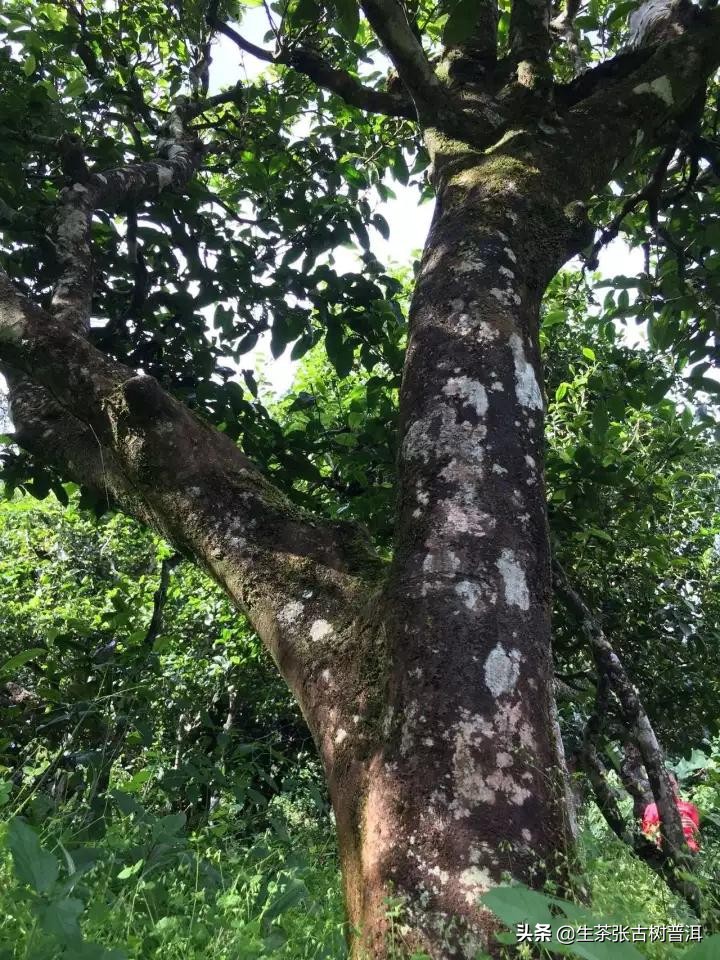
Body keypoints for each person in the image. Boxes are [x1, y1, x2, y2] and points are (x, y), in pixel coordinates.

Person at [641, 773, 700, 852]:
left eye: (672, 784)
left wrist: (693, 826)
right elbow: (648, 836)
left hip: (691, 851)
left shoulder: (689, 808)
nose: (669, 788)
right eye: (665, 785)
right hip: (665, 850)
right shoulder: (652, 808)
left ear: (678, 785)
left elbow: (697, 837)